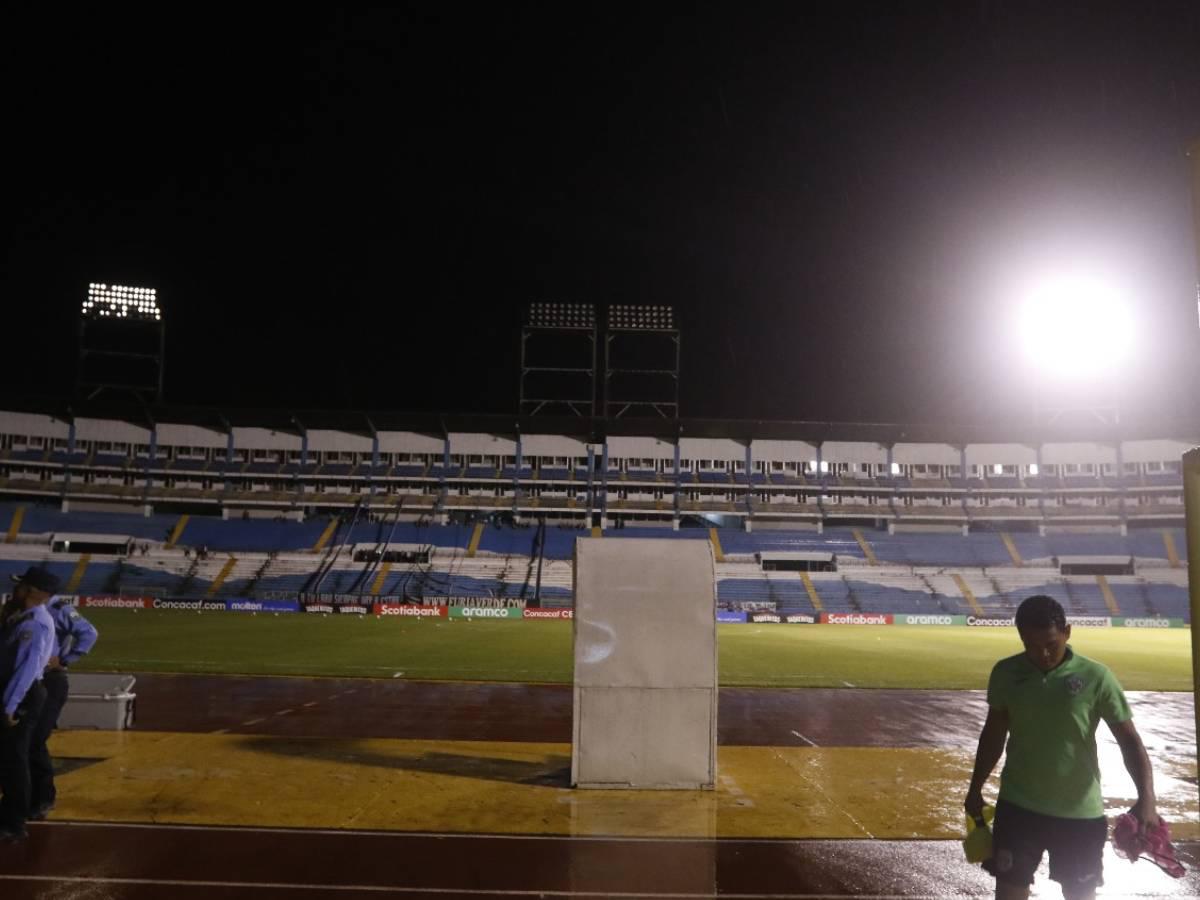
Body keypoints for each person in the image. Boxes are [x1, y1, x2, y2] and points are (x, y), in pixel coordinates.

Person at [965, 594, 1160, 900]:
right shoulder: (1005, 673)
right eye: (1030, 645)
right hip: (1018, 808)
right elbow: (993, 734)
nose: (1042, 653)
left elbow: (1129, 740)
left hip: (1080, 813)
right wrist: (975, 787)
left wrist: (1147, 798)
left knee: (1080, 895)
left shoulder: (1096, 677)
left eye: (1051, 644)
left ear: (1067, 632)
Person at [28, 594, 99, 820]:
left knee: (35, 739)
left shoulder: (58, 609)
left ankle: (43, 798)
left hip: (50, 680)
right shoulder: (27, 611)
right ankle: (26, 795)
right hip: (31, 680)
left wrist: (66, 659)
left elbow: (89, 633)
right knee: (25, 740)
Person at [0, 566, 57, 841]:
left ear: (34, 592)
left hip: (21, 695)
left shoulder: (35, 623)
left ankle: (12, 822)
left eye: (22, 586)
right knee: (10, 757)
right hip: (18, 692)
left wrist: (9, 707)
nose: (16, 590)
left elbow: (26, 669)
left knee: (14, 759)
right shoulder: (22, 617)